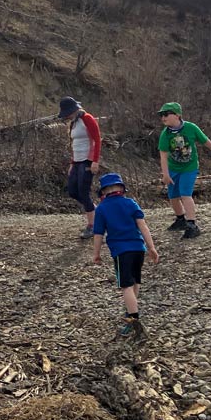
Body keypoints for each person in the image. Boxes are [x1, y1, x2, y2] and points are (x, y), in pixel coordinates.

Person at [91, 173, 160, 338]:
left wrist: (96, 254)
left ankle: (133, 319)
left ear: (104, 192)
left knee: (125, 285)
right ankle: (131, 309)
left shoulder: (102, 209)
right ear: (121, 188)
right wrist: (151, 247)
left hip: (121, 251)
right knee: (135, 281)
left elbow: (98, 234)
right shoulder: (130, 203)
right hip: (138, 248)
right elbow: (143, 227)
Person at [157, 101, 211, 239]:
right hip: (173, 168)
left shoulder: (191, 128)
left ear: (177, 115)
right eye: (162, 115)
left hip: (189, 168)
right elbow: (163, 155)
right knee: (173, 196)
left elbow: (205, 140)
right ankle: (180, 219)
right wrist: (166, 174)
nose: (163, 117)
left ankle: (192, 224)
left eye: (167, 114)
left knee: (185, 194)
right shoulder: (165, 134)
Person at [58, 96, 102, 239]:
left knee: (84, 191)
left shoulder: (87, 118)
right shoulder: (73, 123)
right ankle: (96, 212)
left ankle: (92, 225)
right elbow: (74, 145)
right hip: (77, 161)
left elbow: (97, 139)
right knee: (72, 191)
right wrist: (72, 163)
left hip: (87, 161)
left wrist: (95, 161)